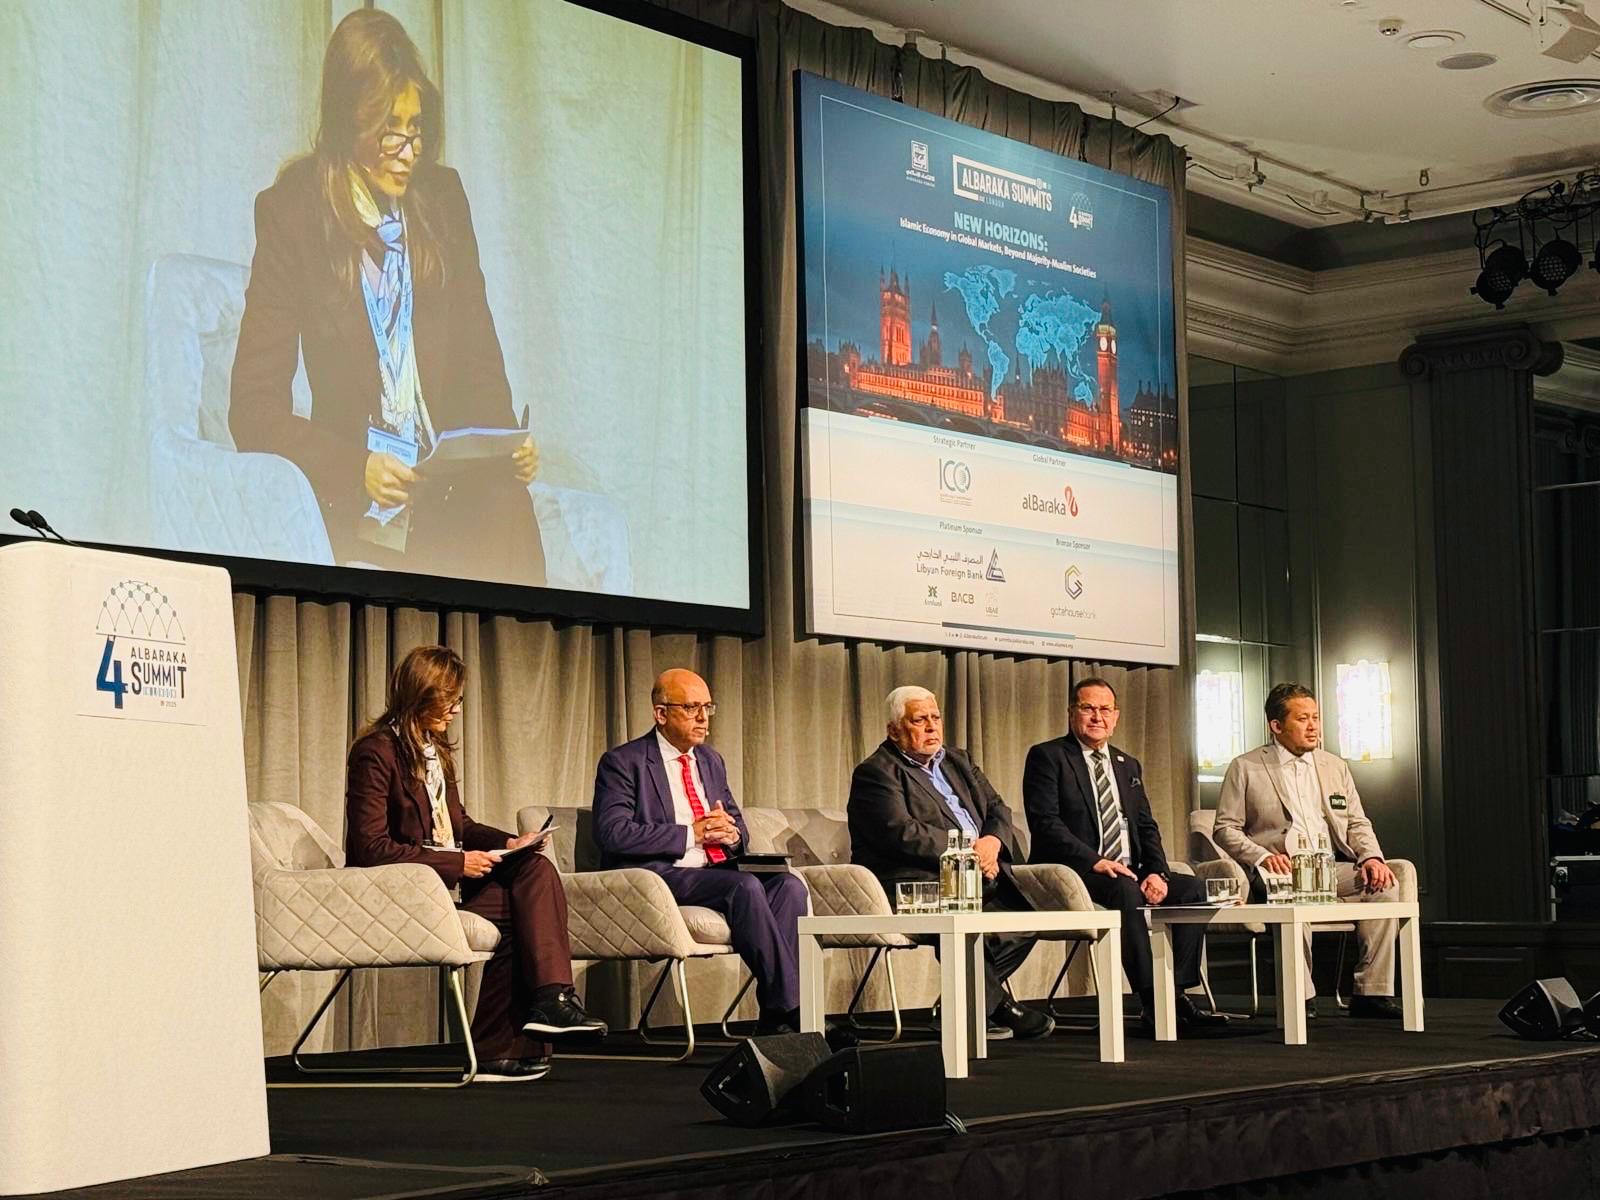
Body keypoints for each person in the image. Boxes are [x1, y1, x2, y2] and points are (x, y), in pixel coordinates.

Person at [231, 8, 545, 584]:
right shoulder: (293, 211)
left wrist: (505, 446)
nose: (408, 150)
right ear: (347, 120)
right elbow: (253, 411)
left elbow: (478, 360)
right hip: (360, 497)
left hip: (444, 491)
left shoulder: (441, 199)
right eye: (389, 128)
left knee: (506, 505)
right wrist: (358, 469)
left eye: (415, 126)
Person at [345, 644, 604, 1082]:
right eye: (449, 700)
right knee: (523, 907)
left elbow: (459, 824)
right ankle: (522, 1026)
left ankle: (547, 1004)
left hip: (445, 886)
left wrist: (509, 842)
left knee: (534, 870)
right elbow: (371, 847)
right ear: (421, 694)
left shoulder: (434, 749)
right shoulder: (376, 752)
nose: (456, 710)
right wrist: (456, 863)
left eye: (459, 700)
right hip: (402, 891)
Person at [591, 669, 808, 1032]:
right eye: (692, 708)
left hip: (713, 870)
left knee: (789, 886)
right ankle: (796, 1009)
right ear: (661, 713)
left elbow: (738, 828)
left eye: (708, 707)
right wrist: (690, 834)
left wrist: (730, 834)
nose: (703, 718)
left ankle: (777, 1014)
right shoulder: (624, 762)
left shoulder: (710, 760)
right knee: (744, 887)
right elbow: (613, 834)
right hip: (659, 874)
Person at [1023, 677, 1227, 1036]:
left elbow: (1146, 826)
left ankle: (1176, 994)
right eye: (1088, 708)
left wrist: (1158, 873)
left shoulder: (1126, 764)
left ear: (1116, 717)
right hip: (1077, 871)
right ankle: (1151, 1000)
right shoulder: (1048, 757)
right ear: (1071, 712)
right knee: (1125, 890)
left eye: (1105, 710)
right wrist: (1095, 860)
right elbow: (1046, 824)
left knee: (1193, 890)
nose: (1097, 717)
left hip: (1130, 870)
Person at [848, 686, 1054, 1040]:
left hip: (975, 873)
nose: (932, 727)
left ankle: (969, 1002)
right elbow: (901, 832)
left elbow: (997, 808)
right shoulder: (876, 772)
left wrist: (992, 843)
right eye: (919, 720)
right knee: (962, 915)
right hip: (914, 882)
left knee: (1028, 915)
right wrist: (969, 852)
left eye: (935, 717)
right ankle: (996, 1006)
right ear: (894, 730)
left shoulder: (957, 760)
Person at [1214, 682, 1403, 1019]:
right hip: (1281, 872)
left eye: (1315, 717)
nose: (1313, 726)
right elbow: (1225, 828)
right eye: (1302, 719)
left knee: (1385, 885)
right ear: (1276, 725)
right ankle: (1300, 997)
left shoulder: (1334, 766)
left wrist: (1372, 857)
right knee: (1292, 895)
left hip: (1328, 868)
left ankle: (1371, 992)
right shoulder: (1246, 766)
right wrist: (1262, 856)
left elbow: (1357, 822)